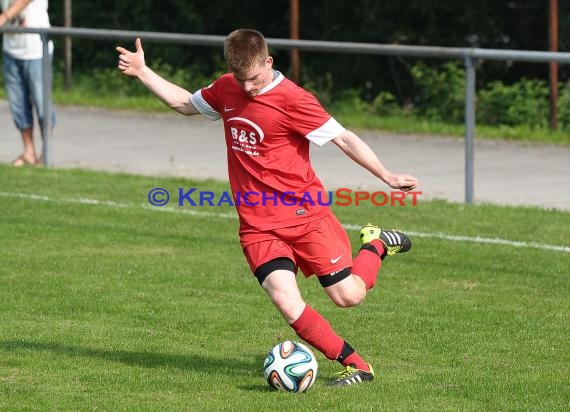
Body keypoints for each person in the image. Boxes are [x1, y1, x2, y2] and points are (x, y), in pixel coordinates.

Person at [116, 29, 418, 387]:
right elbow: (185, 103)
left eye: (256, 79)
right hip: (258, 226)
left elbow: (343, 138)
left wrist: (386, 175)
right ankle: (358, 366)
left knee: (348, 296)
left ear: (269, 62)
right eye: (242, 81)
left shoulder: (294, 99)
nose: (249, 89)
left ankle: (377, 244)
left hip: (307, 218)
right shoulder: (228, 87)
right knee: (287, 302)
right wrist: (143, 71)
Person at [0, 0, 54, 166]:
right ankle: (29, 152)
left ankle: (47, 154)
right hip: (11, 49)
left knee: (42, 104)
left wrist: (4, 17)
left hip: (36, 49)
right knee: (18, 106)